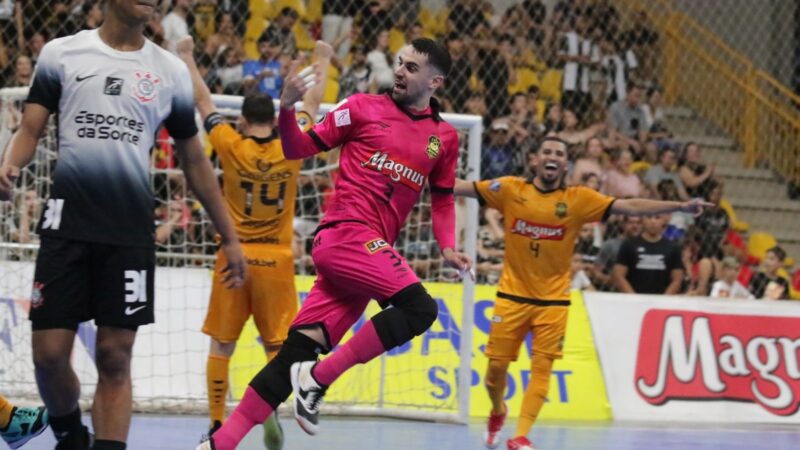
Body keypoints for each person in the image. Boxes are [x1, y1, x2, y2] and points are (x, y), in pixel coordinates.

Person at [198, 37, 473, 450]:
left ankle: (219, 444)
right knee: (420, 308)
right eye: (399, 63)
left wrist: (447, 246)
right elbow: (296, 148)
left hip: (365, 259)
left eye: (412, 68)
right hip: (346, 235)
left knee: (294, 354)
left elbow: (443, 197)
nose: (399, 71)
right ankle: (318, 379)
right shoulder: (361, 107)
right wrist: (287, 108)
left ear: (435, 82)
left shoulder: (444, 139)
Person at [0, 2, 246, 449]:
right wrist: (10, 166)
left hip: (129, 231)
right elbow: (31, 130)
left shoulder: (169, 71)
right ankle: (72, 436)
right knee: (49, 356)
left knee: (116, 356)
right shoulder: (61, 53)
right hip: (67, 224)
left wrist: (229, 236)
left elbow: (193, 160)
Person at [452, 136, 710, 450]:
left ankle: (520, 436)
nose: (552, 156)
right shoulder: (510, 189)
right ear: (535, 159)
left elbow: (629, 206)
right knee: (494, 372)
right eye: (546, 151)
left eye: (559, 153)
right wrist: (406, 172)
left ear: (565, 163)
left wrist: (681, 205)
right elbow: (460, 186)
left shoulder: (578, 199)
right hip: (512, 296)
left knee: (542, 367)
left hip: (555, 300)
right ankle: (498, 410)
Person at [177, 37, 333, 449]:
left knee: (222, 344)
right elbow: (313, 103)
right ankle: (270, 410)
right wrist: (322, 59)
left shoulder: (230, 143)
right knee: (277, 347)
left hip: (234, 257)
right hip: (277, 261)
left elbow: (205, 103)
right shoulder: (292, 146)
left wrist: (188, 57)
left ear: (244, 120)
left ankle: (215, 424)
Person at [613, 214, 684, 295]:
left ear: (664, 221)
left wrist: (664, 299)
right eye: (649, 217)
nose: (653, 221)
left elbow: (677, 279)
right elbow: (619, 275)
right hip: (634, 299)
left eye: (657, 217)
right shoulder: (629, 245)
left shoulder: (673, 247)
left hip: (662, 300)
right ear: (643, 220)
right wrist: (633, 297)